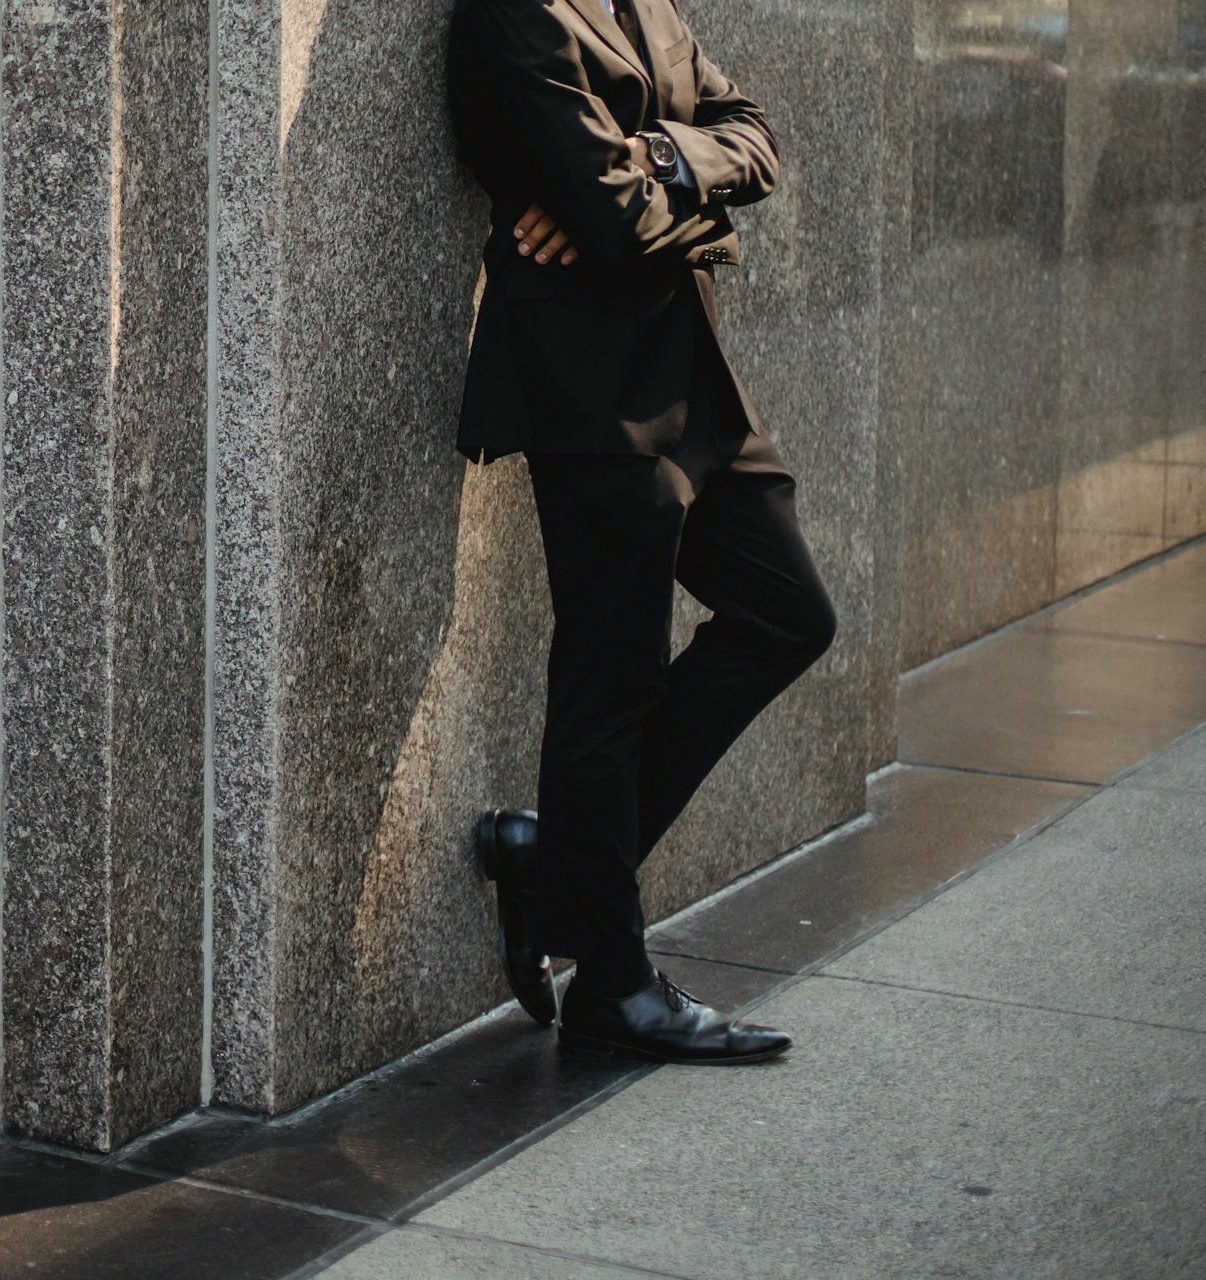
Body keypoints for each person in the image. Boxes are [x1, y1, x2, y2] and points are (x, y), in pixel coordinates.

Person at [445, 0, 838, 1063]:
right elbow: (613, 217)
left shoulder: (642, 0)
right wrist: (689, 193)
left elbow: (758, 137)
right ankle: (613, 989)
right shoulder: (510, 15)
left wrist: (662, 156)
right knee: (607, 681)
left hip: (692, 378)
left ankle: (558, 862)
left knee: (788, 612)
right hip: (593, 395)